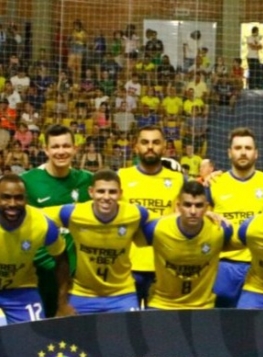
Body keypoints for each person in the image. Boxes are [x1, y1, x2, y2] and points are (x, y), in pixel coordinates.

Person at [48, 170, 151, 314]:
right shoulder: (72, 214)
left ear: (120, 193)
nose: (106, 197)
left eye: (112, 192)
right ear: (91, 192)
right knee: (73, 335)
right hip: (82, 293)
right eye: (101, 191)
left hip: (122, 293)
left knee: (128, 335)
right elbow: (36, 217)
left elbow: (164, 225)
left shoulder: (137, 214)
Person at [21, 124, 93, 318]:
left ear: (75, 149)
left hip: (79, 276)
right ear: (46, 149)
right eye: (55, 147)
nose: (61, 152)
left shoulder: (89, 181)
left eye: (66, 146)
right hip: (41, 273)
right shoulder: (27, 181)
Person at [207, 127, 263, 308]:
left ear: (256, 154)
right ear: (229, 153)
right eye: (238, 148)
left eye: (248, 148)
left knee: (256, 326)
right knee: (220, 323)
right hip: (223, 265)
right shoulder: (214, 183)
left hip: (260, 265)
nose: (243, 152)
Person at [118, 125, 185, 306]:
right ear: (135, 146)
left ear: (164, 147)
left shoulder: (179, 180)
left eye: (155, 142)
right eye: (144, 142)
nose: (150, 147)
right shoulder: (121, 177)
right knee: (126, 326)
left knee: (158, 328)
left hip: (164, 267)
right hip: (127, 267)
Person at [144, 181, 232, 309]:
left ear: (207, 207)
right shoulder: (156, 229)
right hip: (161, 304)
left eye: (199, 206)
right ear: (178, 206)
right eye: (187, 205)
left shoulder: (221, 231)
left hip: (202, 306)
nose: (193, 211)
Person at [0, 175, 69, 324]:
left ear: (26, 199)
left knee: (34, 338)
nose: (12, 203)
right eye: (5, 197)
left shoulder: (43, 225)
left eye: (19, 198)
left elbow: (61, 259)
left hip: (21, 288)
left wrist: (62, 303)